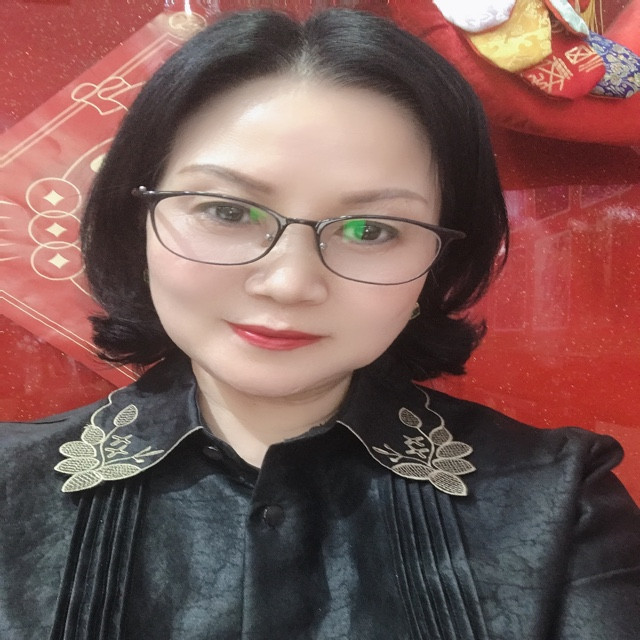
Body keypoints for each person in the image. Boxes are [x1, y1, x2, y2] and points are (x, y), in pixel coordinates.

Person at [1, 8, 639, 640]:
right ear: (136, 222)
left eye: (371, 230)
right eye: (228, 211)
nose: (290, 284)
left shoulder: (562, 502)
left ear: (439, 261)